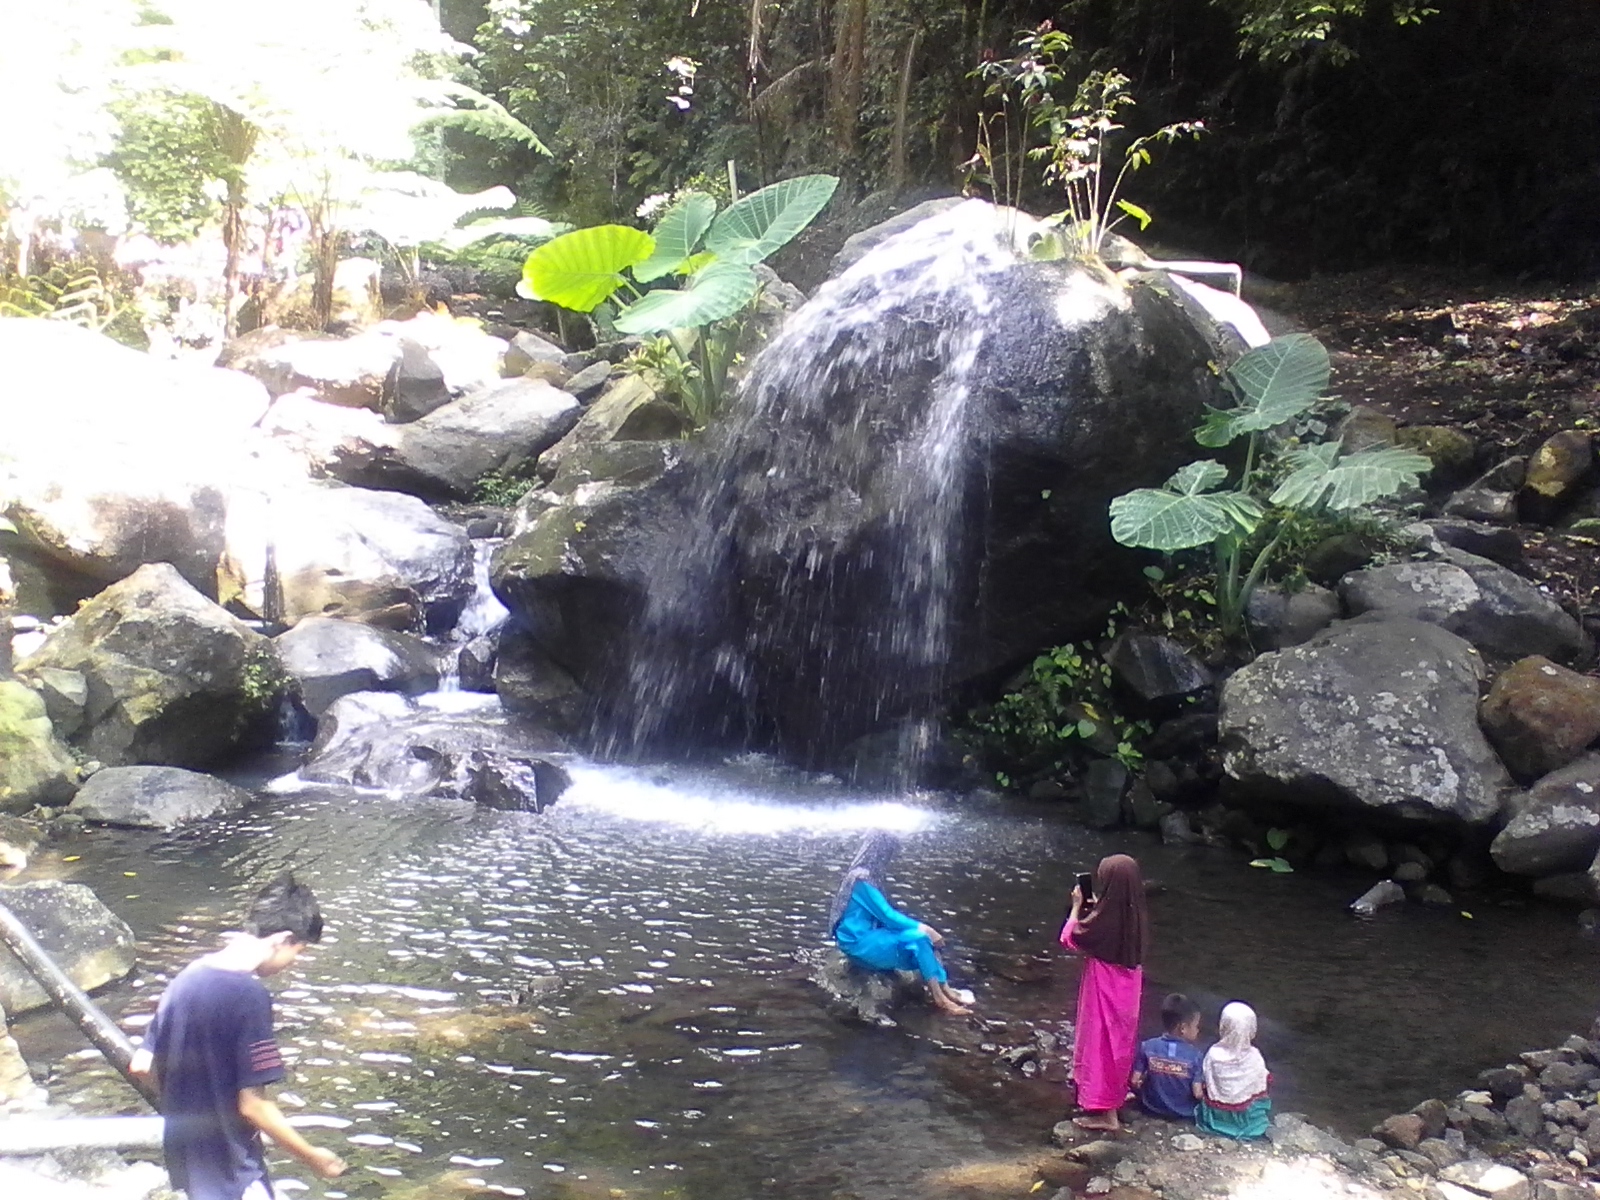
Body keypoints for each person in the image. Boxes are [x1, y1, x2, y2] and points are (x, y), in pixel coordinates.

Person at [130, 875, 348, 1200]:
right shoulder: (249, 996)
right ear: (283, 939)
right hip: (234, 1172)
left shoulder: (185, 979)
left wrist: (186, 1106)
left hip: (187, 1164)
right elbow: (253, 1106)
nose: (293, 963)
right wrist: (313, 1157)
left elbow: (141, 1065)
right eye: (298, 952)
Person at [830, 831, 971, 1016]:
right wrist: (926, 928)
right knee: (920, 937)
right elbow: (887, 916)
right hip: (858, 942)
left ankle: (945, 988)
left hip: (868, 936)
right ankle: (940, 997)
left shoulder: (867, 876)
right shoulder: (861, 880)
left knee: (922, 942)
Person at [1059, 853, 1148, 1132]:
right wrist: (1097, 909)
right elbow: (1107, 926)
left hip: (1104, 989)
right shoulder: (1135, 915)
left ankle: (1106, 1115)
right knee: (1119, 1046)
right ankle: (1114, 1097)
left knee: (1100, 1046)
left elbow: (1070, 938)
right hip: (1128, 991)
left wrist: (1077, 908)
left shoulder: (1104, 921)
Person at [1196, 1000, 1273, 1139]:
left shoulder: (1213, 1054)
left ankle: (1223, 1125)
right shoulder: (1255, 1056)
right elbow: (1262, 1086)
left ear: (1224, 1026)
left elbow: (1205, 1082)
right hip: (1247, 1119)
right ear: (1252, 1029)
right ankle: (1243, 1126)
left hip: (1217, 1118)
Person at [1130, 992, 1204, 1120]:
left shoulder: (1147, 1046)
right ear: (1183, 1028)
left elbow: (1134, 1081)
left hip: (1151, 1107)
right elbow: (1197, 1093)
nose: (1198, 1030)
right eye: (1196, 1026)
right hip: (1183, 1112)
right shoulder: (1196, 1055)